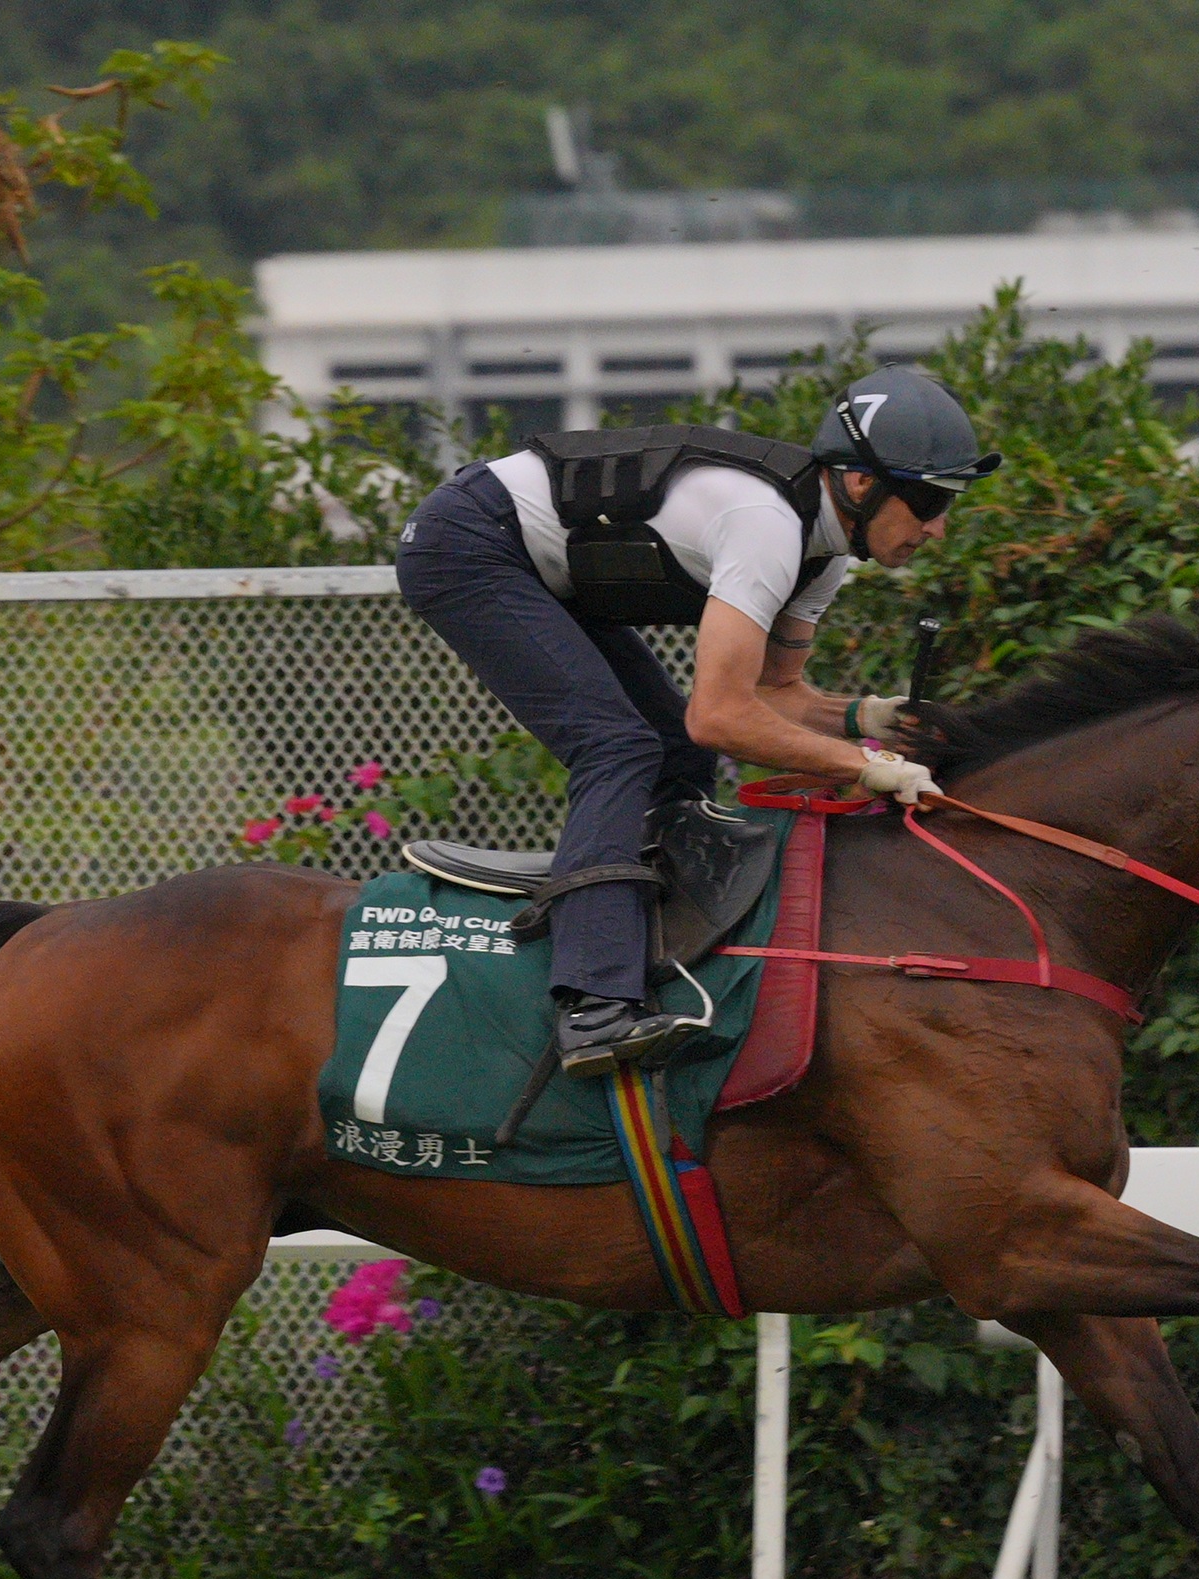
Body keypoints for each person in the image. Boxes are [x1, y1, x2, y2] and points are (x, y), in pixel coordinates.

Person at [394, 368, 999, 1079]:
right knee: (618, 746)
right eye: (929, 500)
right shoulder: (767, 526)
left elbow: (773, 695)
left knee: (674, 750)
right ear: (861, 483)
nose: (937, 527)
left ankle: (654, 940)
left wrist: (866, 718)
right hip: (468, 541)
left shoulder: (824, 559)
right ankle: (593, 1004)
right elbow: (720, 715)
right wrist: (866, 766)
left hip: (538, 561)